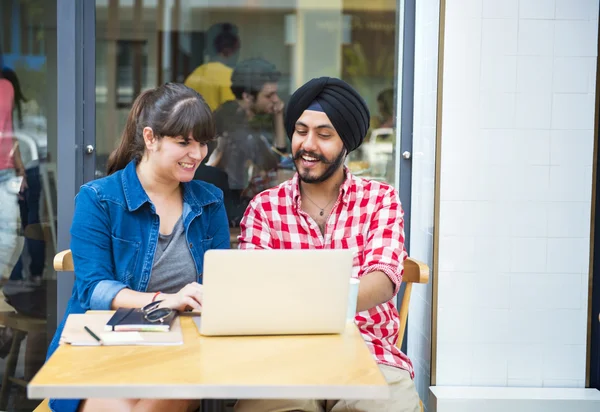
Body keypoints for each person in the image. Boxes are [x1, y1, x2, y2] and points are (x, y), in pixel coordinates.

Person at [235, 77, 420, 412]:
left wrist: (294, 300)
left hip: (369, 353)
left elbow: (382, 281)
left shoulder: (380, 199)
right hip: (283, 356)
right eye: (301, 131)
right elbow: (254, 292)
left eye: (324, 135)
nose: (308, 144)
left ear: (347, 142)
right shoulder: (264, 206)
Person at [46, 83, 230, 412]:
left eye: (202, 142)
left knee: (173, 387)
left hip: (179, 350)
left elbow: (222, 284)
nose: (198, 154)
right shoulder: (99, 198)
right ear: (150, 138)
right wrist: (165, 301)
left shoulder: (209, 201)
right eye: (184, 142)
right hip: (104, 344)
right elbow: (94, 289)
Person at [206, 58, 288, 223]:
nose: (275, 100)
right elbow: (274, 164)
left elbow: (280, 155)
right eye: (269, 95)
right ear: (247, 96)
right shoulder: (231, 121)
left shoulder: (250, 117)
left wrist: (278, 116)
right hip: (228, 209)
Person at [2, 67, 46, 284]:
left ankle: (16, 276)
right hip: (31, 167)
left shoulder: (12, 104)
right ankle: (35, 272)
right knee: (31, 221)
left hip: (16, 169)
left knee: (14, 229)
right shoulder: (31, 106)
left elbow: (13, 138)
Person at [184, 22, 240, 112]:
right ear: (231, 49)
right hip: (218, 125)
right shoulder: (229, 76)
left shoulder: (195, 74)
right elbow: (232, 111)